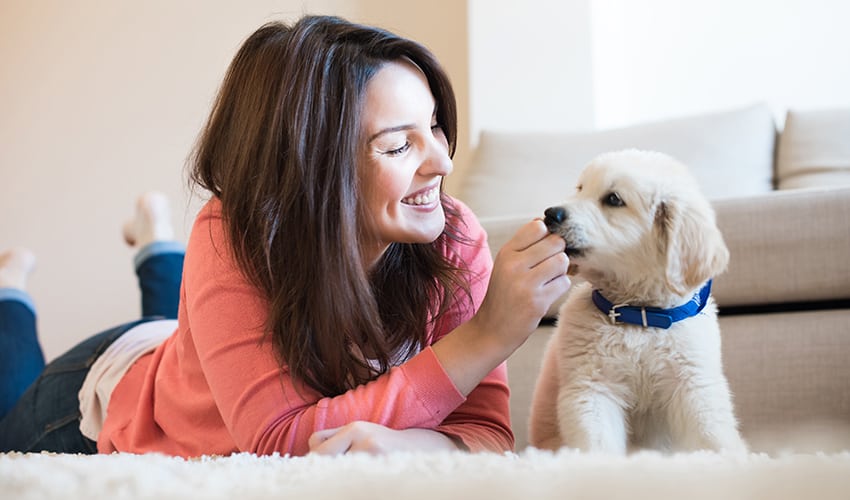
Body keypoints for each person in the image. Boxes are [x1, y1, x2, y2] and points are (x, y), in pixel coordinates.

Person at [0, 15, 570, 457]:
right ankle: (13, 291)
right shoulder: (236, 231)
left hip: (190, 352)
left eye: (436, 128)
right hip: (105, 393)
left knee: (187, 330)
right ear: (311, 167)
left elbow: (485, 433)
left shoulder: (452, 237)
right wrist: (487, 336)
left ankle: (155, 244)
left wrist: (403, 444)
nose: (441, 161)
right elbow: (274, 440)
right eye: (399, 146)